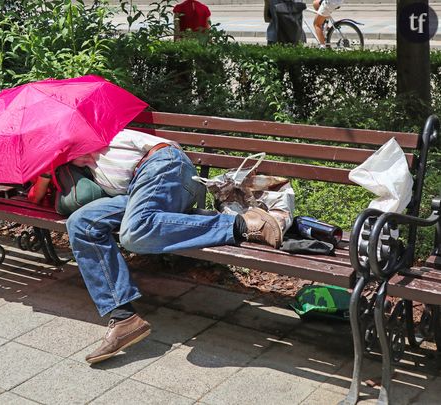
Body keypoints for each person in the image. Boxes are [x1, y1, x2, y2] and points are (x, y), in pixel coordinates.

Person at [30, 128, 283, 364]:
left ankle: (243, 225)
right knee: (81, 223)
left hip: (163, 166)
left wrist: (50, 161)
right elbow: (37, 196)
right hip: (138, 191)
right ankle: (123, 318)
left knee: (133, 233)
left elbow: (41, 190)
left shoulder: (88, 132)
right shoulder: (74, 156)